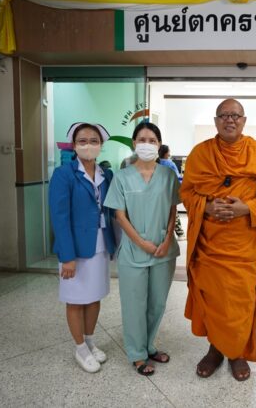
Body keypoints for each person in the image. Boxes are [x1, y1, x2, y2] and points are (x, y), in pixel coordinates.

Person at [181, 98, 256, 381]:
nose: (230, 120)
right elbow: (187, 193)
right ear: (216, 121)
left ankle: (237, 353)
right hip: (209, 245)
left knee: (240, 303)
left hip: (243, 246)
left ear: (244, 121)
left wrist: (245, 208)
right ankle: (215, 350)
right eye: (224, 115)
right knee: (213, 301)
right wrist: (206, 207)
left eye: (235, 115)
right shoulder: (201, 153)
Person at [103, 121, 180, 376]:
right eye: (142, 140)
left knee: (157, 303)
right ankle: (137, 354)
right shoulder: (122, 176)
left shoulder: (168, 175)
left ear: (159, 145)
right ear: (134, 143)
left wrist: (167, 239)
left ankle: (149, 346)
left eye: (152, 140)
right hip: (134, 250)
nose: (147, 144)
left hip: (163, 249)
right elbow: (119, 215)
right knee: (134, 304)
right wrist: (141, 243)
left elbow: (173, 210)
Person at [49, 122, 116, 373]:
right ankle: (79, 349)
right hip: (75, 250)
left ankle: (90, 341)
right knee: (76, 300)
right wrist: (67, 256)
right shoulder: (63, 174)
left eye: (93, 141)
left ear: (101, 144)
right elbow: (59, 217)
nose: (88, 145)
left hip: (100, 246)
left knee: (94, 297)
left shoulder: (106, 174)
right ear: (74, 145)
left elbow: (110, 211)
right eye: (83, 141)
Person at [159, 144, 186, 241]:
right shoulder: (170, 164)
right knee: (173, 212)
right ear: (166, 153)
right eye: (169, 151)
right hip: (168, 192)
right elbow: (177, 178)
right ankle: (180, 234)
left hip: (158, 192)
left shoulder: (155, 162)